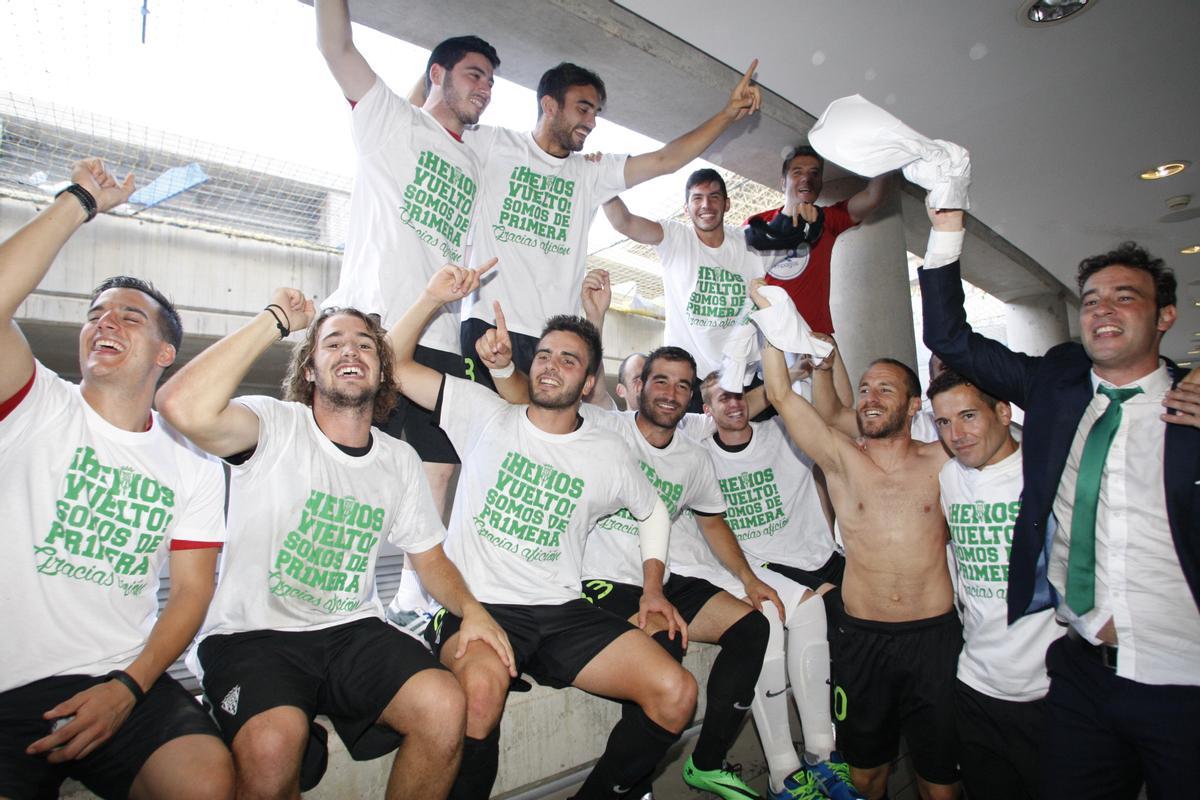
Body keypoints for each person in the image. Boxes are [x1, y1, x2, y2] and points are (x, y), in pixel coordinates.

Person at [156, 293, 509, 799]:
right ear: (309, 371)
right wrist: (275, 320)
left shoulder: (399, 459)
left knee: (443, 704)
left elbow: (429, 556)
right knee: (274, 745)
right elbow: (180, 406)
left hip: (351, 631)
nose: (351, 352)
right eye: (333, 343)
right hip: (253, 635)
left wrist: (472, 609)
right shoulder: (273, 426)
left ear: (382, 372)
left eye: (365, 345)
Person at [919, 206, 1200, 799]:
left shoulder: (1191, 408)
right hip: (1080, 671)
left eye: (1125, 297)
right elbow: (949, 337)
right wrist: (946, 222)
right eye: (1092, 298)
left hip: (1184, 679)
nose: (1102, 308)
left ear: (1165, 316)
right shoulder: (1058, 386)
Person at [389, 262, 697, 799]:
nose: (551, 366)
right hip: (479, 606)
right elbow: (391, 363)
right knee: (479, 698)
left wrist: (652, 588)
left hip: (562, 611)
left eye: (569, 359)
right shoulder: (482, 412)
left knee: (676, 692)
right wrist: (431, 295)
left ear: (589, 381)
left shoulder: (607, 451)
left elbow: (652, 512)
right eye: (546, 354)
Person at [0, 159, 234, 800]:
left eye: (130, 318)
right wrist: (80, 201)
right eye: (96, 314)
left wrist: (129, 688)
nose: (105, 322)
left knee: (209, 781)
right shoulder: (32, 402)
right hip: (6, 691)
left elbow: (190, 593)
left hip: (121, 681)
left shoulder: (195, 467)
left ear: (165, 354)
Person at [752, 283, 961, 800]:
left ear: (915, 405)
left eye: (885, 389)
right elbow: (780, 395)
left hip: (934, 640)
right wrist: (775, 327)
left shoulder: (946, 461)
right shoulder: (843, 461)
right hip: (863, 640)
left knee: (941, 782)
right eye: (865, 389)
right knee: (867, 776)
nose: (869, 397)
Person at [456, 59, 763, 390]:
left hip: (555, 340)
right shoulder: (493, 145)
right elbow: (424, 122)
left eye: (596, 113)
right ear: (549, 105)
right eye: (583, 109)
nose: (591, 122)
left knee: (542, 439)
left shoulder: (591, 173)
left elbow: (666, 160)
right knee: (482, 434)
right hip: (488, 326)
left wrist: (728, 113)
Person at [314, 0, 501, 515]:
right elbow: (336, 47)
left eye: (490, 82)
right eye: (474, 75)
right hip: (374, 321)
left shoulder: (474, 159)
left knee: (438, 467)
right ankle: (337, 589)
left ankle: (416, 598)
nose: (484, 89)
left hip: (437, 336)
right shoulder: (389, 121)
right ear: (437, 73)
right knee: (350, 465)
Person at [576, 346, 778, 800]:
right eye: (661, 381)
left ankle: (706, 764)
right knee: (663, 646)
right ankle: (619, 789)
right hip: (604, 578)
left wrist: (748, 579)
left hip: (662, 580)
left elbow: (712, 521)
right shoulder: (605, 429)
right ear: (639, 386)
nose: (671, 393)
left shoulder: (692, 457)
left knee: (752, 627)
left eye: (683, 385)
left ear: (691, 397)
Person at [692, 372, 860, 800]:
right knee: (767, 617)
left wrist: (809, 369)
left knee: (813, 610)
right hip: (744, 566)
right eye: (720, 399)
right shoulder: (695, 450)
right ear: (706, 411)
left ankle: (823, 753)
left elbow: (830, 429)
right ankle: (783, 772)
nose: (734, 405)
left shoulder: (783, 431)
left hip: (808, 562)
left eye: (739, 395)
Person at [927, 369, 1061, 800]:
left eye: (968, 416)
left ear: (1004, 412)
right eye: (944, 422)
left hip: (1049, 692)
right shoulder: (949, 477)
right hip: (976, 687)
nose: (957, 434)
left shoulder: (1049, 472)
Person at [602, 169, 772, 410]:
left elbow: (795, 233)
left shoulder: (749, 242)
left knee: (755, 444)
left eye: (714, 197)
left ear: (727, 203)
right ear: (686, 207)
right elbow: (624, 222)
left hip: (744, 375)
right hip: (691, 379)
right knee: (689, 446)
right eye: (697, 198)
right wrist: (603, 181)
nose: (706, 205)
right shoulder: (675, 237)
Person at [745, 146, 892, 335]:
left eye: (814, 173)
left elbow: (873, 196)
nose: (806, 179)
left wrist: (889, 152)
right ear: (783, 183)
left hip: (814, 334)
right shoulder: (757, 224)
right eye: (797, 172)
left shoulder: (827, 219)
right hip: (768, 333)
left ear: (820, 183)